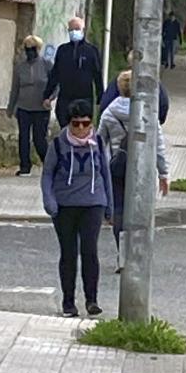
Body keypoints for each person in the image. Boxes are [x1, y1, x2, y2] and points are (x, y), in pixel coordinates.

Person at [41, 99, 113, 317]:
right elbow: (47, 174)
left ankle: (92, 300)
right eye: (76, 124)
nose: (81, 129)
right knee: (69, 252)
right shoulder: (58, 144)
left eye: (85, 123)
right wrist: (49, 201)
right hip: (64, 205)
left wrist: (109, 204)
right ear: (69, 123)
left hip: (93, 203)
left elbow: (105, 174)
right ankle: (68, 301)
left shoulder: (98, 143)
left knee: (90, 251)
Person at [98, 71, 170, 271]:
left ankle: (122, 256)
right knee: (141, 212)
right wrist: (163, 173)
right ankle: (138, 255)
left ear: (119, 88)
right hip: (143, 170)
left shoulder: (109, 112)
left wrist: (98, 170)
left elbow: (98, 142)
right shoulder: (148, 112)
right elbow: (159, 146)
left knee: (119, 211)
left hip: (117, 167)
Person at [42, 17, 103, 128]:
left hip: (84, 97)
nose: (74, 32)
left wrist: (100, 97)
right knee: (65, 126)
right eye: (72, 29)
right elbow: (55, 74)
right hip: (65, 97)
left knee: (81, 127)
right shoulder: (63, 50)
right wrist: (47, 95)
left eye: (77, 29)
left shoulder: (91, 51)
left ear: (83, 30)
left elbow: (97, 74)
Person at [6, 35, 52, 177]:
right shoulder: (20, 67)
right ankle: (25, 166)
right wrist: (11, 107)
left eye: (32, 49)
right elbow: (15, 88)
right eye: (27, 49)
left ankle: (49, 165)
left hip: (41, 108)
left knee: (39, 139)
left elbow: (55, 85)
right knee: (23, 138)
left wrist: (50, 98)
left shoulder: (46, 65)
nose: (29, 52)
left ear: (38, 49)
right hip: (24, 107)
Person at [99, 50, 169, 125]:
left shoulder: (120, 80)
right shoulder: (153, 82)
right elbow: (164, 103)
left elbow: (105, 104)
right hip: (147, 125)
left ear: (129, 62)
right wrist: (156, 121)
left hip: (118, 127)